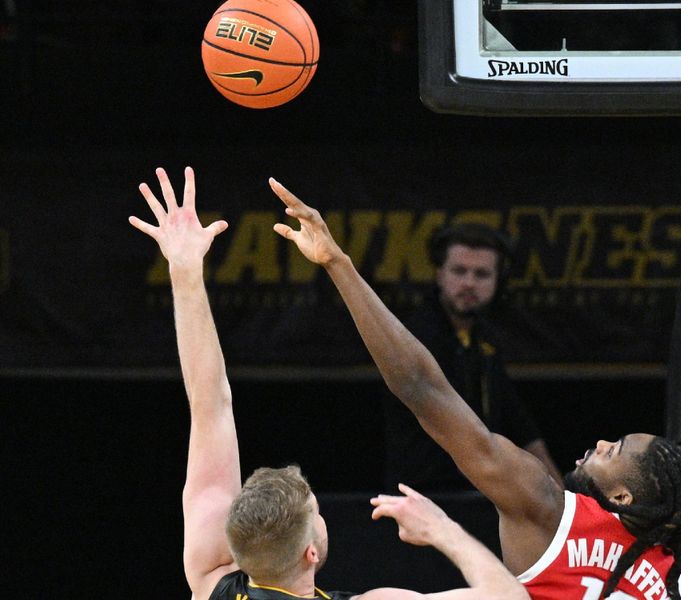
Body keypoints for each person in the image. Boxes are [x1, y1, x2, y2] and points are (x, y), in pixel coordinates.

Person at [270, 178, 681, 600]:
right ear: (439, 273)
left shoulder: (547, 508)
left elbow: (422, 388)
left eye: (616, 449)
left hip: (451, 504)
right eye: (459, 270)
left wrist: (337, 263)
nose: (601, 440)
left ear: (623, 498)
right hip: (430, 489)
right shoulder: (679, 589)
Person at [128, 167, 529, 600]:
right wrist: (443, 530)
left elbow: (209, 404)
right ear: (311, 554)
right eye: (316, 511)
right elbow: (511, 596)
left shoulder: (210, 583)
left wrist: (183, 270)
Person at [382, 222, 561, 491]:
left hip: (479, 492)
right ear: (439, 274)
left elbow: (518, 421)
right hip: (424, 494)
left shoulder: (484, 337)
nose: (469, 283)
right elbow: (453, 427)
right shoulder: (415, 338)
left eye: (481, 274)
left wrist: (563, 496)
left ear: (498, 280)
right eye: (459, 271)